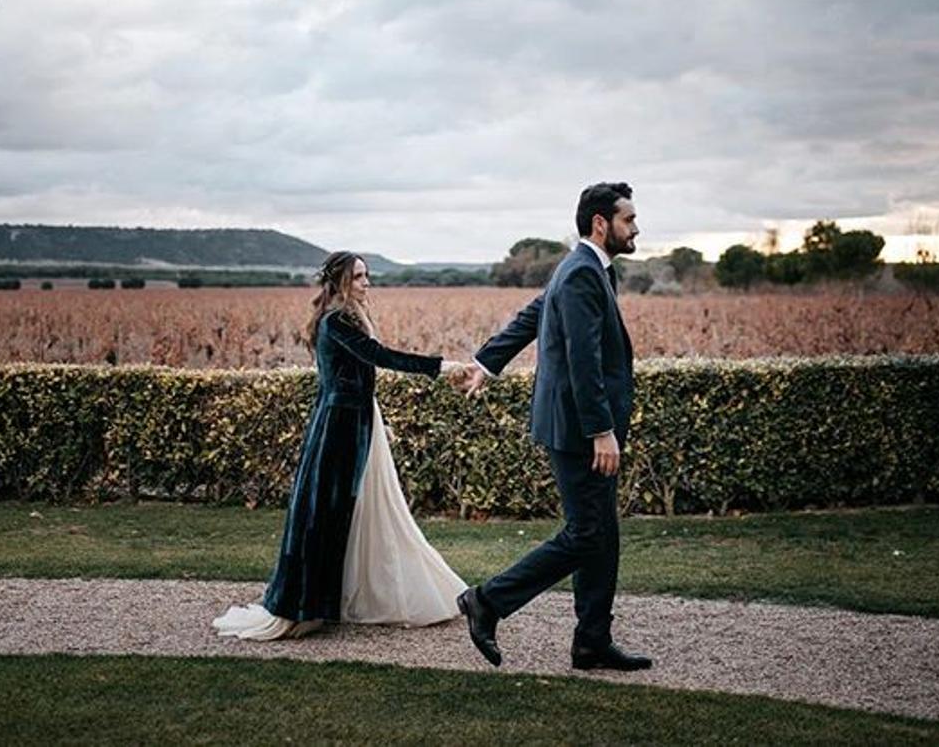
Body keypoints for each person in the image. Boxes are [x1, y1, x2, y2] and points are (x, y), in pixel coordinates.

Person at [214, 251, 468, 640]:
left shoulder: (344, 319)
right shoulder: (337, 322)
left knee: (363, 508)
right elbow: (379, 357)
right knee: (327, 510)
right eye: (359, 277)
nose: (367, 283)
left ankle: (338, 597)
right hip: (340, 426)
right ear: (340, 282)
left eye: (367, 276)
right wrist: (441, 366)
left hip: (355, 419)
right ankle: (307, 605)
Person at [456, 182, 653, 671]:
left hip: (573, 426)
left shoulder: (585, 269)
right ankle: (487, 601)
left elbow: (535, 314)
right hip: (578, 432)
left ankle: (591, 642)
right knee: (587, 534)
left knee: (601, 535)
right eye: (629, 219)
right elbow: (583, 362)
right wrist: (601, 430)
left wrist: (486, 362)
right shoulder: (583, 273)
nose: (637, 227)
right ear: (601, 224)